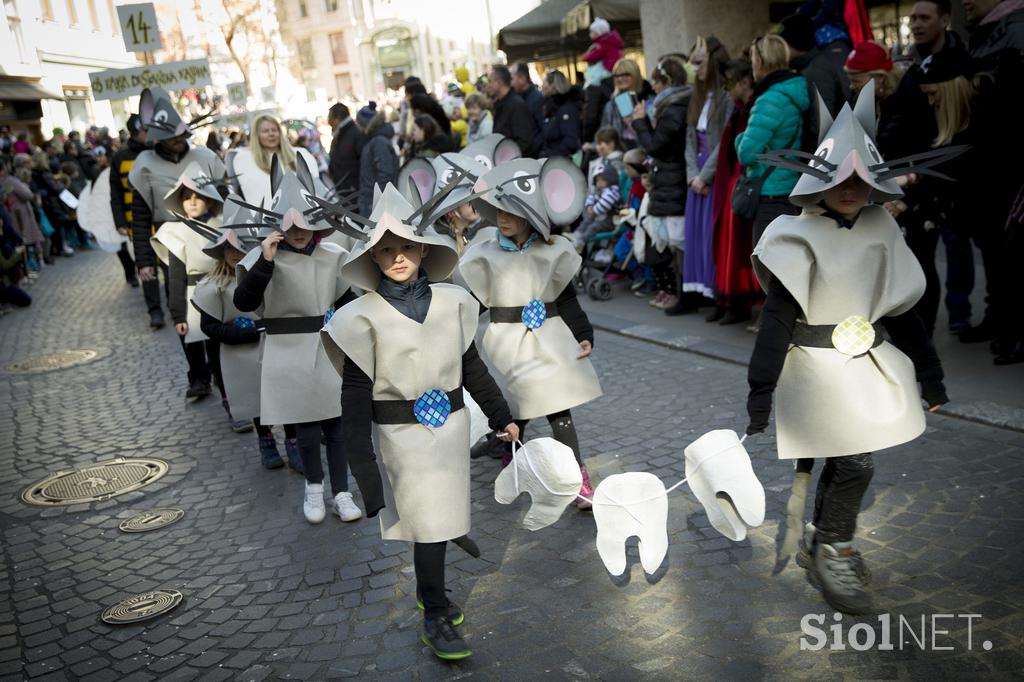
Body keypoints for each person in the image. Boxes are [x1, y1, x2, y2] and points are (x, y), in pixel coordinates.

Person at [746, 82, 948, 614]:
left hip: (862, 366)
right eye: (842, 177)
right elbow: (777, 317)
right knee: (856, 461)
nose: (853, 187)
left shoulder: (883, 231)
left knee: (854, 458)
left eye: (864, 178)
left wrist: (931, 376)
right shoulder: (796, 235)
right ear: (820, 180)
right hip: (815, 370)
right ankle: (834, 544)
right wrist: (760, 388)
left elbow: (902, 311)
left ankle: (827, 540)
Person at [321, 184, 518, 660]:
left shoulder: (453, 303)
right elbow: (354, 399)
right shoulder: (361, 318)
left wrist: (502, 416)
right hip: (402, 439)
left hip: (449, 431)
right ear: (372, 259)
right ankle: (433, 613)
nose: (397, 257)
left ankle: (434, 592)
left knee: (443, 517)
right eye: (385, 250)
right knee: (430, 521)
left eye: (406, 246)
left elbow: (470, 365)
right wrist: (363, 471)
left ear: (424, 249)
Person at [460, 157, 602, 510]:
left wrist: (583, 332)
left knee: (556, 405)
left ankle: (576, 479)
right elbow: (474, 302)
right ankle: (508, 448)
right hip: (509, 341)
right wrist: (450, 331)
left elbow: (565, 298)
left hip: (551, 339)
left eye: (512, 212)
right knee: (522, 403)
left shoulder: (551, 250)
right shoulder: (486, 255)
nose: (502, 218)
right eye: (498, 211)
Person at [233, 159, 363, 523]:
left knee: (336, 426)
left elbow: (346, 301)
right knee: (305, 429)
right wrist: (265, 263)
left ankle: (341, 491)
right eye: (291, 226)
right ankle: (313, 488)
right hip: (286, 352)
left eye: (306, 224)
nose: (300, 232)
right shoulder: (263, 259)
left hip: (327, 348)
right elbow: (244, 302)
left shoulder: (333, 256)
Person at [193, 227, 297, 468]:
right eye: (228, 247)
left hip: (275, 343)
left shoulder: (268, 274)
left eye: (240, 246)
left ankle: (294, 442)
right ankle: (267, 441)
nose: (235, 252)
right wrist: (241, 333)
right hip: (242, 352)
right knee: (255, 397)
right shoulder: (213, 286)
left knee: (285, 394)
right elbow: (209, 326)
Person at [129, 88, 226, 331]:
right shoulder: (144, 165)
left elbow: (227, 200)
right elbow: (140, 219)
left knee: (218, 291)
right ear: (158, 138)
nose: (180, 140)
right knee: (179, 296)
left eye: (182, 135)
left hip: (209, 234)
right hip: (169, 238)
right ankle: (190, 344)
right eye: (173, 137)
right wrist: (144, 261)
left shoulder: (205, 157)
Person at [151, 164, 231, 412]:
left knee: (222, 350)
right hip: (193, 296)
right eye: (187, 198)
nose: (193, 202)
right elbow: (175, 276)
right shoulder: (176, 232)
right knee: (197, 345)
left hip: (223, 290)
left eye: (199, 197)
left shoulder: (223, 225)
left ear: (210, 201)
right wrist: (178, 313)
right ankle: (201, 380)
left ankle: (230, 397)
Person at [736, 34, 811, 248]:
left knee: (768, 267)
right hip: (791, 186)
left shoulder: (770, 99)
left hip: (770, 193)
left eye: (752, 60)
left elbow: (746, 153)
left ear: (759, 62)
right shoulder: (797, 89)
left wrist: (740, 138)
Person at [631, 56, 692, 314]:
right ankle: (679, 292)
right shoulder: (673, 103)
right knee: (671, 242)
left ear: (667, 82)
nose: (653, 87)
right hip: (668, 178)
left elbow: (657, 145)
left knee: (676, 242)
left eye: (656, 82)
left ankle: (683, 294)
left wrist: (640, 123)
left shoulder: (675, 106)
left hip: (672, 178)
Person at [683, 36, 734, 305]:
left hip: (712, 175)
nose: (695, 68)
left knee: (711, 236)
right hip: (697, 176)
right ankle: (702, 290)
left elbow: (724, 142)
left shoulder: (726, 97)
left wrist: (704, 176)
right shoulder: (697, 97)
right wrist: (693, 174)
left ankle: (717, 293)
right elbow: (690, 140)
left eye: (699, 63)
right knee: (697, 236)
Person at [709, 58, 759, 324]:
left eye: (730, 84)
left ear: (744, 82)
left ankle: (740, 300)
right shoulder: (740, 109)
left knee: (740, 243)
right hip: (733, 179)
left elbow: (746, 148)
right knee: (730, 242)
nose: (727, 90)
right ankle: (730, 298)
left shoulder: (751, 109)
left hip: (743, 180)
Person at [227, 114, 318, 208]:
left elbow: (314, 186)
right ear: (256, 135)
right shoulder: (245, 160)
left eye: (274, 130)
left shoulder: (299, 154)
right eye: (265, 131)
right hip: (268, 218)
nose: (271, 134)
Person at [778, 13, 851, 117]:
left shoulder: (817, 70)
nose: (780, 49)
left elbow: (823, 123)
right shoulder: (806, 65)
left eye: (782, 43)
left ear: (795, 43)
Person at [109, 114, 147, 290]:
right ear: (134, 132)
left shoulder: (158, 151)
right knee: (146, 264)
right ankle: (154, 308)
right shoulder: (120, 158)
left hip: (161, 216)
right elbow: (115, 194)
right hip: (136, 220)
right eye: (144, 131)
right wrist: (120, 222)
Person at [598, 58, 653, 151]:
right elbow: (605, 132)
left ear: (635, 75)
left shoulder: (649, 99)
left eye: (626, 74)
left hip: (646, 153)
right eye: (616, 75)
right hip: (619, 154)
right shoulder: (612, 104)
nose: (620, 78)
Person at [356, 104, 399, 217]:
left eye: (358, 123)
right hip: (372, 201)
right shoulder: (373, 141)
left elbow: (386, 174)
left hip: (376, 204)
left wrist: (378, 200)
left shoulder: (378, 142)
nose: (357, 127)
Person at [486, 64, 535, 156]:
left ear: (499, 82)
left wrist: (507, 157)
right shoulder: (501, 104)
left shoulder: (516, 105)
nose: (488, 85)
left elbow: (524, 140)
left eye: (490, 81)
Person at [573, 164, 621, 251]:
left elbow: (605, 203)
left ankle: (581, 242)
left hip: (609, 221)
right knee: (587, 221)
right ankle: (576, 235)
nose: (599, 183)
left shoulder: (612, 191)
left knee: (593, 227)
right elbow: (591, 197)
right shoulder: (599, 190)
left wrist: (594, 211)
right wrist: (589, 206)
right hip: (598, 217)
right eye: (597, 180)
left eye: (602, 180)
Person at [536, 70, 583, 159]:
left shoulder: (566, 109)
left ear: (552, 86)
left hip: (561, 163)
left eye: (544, 82)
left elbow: (570, 142)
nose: (542, 86)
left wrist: (549, 155)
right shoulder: (550, 108)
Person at [327, 102, 363, 196]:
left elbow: (364, 163)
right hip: (345, 190)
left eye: (330, 119)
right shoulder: (341, 134)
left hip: (353, 191)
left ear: (337, 119)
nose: (328, 122)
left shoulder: (355, 133)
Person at [581, 17, 625, 89]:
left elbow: (596, 54)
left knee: (593, 75)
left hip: (608, 68)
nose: (590, 34)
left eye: (592, 32)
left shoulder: (603, 42)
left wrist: (585, 57)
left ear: (599, 32)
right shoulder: (609, 41)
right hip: (613, 67)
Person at [511, 62, 544, 150]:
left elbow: (543, 128)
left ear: (522, 78)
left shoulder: (537, 98)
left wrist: (532, 148)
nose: (511, 83)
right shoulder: (517, 97)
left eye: (512, 78)